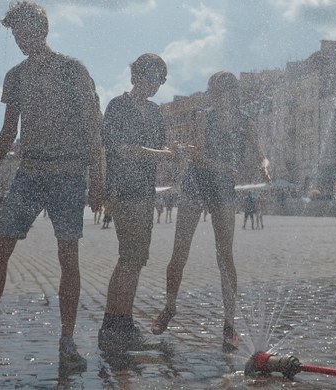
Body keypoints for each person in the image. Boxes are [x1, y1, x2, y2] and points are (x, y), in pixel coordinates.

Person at [0, 1, 103, 371]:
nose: (22, 40)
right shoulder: (16, 76)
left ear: (42, 30)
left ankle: (67, 340)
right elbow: (9, 130)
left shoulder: (72, 69)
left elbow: (92, 127)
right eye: (16, 34)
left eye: (26, 32)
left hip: (68, 174)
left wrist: (99, 178)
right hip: (29, 173)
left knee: (68, 257)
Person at [151, 71, 270, 353]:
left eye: (226, 89)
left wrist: (265, 165)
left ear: (233, 92)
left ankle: (229, 323)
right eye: (217, 89)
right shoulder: (205, 116)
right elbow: (197, 155)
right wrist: (220, 168)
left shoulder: (245, 120)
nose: (221, 94)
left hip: (223, 186)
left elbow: (260, 151)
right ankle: (169, 306)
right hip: (197, 181)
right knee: (180, 250)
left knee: (225, 254)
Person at [97, 53, 176, 352]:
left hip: (145, 190)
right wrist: (160, 154)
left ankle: (117, 322)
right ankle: (117, 323)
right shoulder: (117, 106)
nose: (158, 85)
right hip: (123, 188)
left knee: (135, 259)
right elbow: (121, 149)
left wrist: (175, 150)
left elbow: (160, 147)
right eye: (154, 77)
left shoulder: (155, 112)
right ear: (137, 76)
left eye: (162, 80)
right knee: (130, 257)